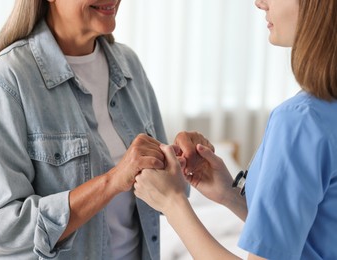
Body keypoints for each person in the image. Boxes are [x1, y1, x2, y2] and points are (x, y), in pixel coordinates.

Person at [134, 0, 337, 259]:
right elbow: (314, 233)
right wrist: (230, 195)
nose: (260, 3)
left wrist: (172, 202)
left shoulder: (300, 121)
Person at [0, 0, 167, 259]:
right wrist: (111, 182)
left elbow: (165, 196)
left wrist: (181, 161)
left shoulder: (129, 64)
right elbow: (1, 230)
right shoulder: (6, 81)